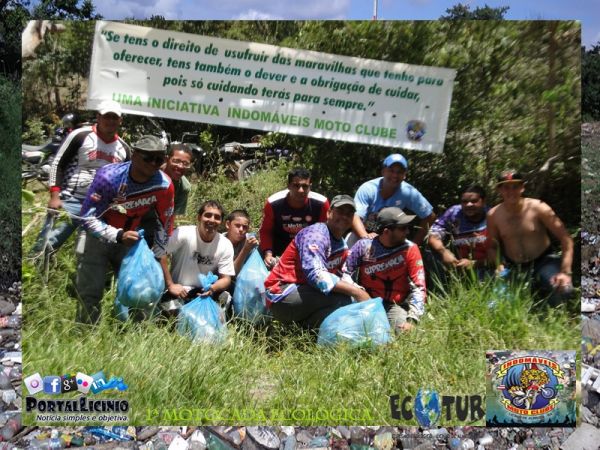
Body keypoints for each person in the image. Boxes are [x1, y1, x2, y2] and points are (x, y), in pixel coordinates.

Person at [76, 135, 174, 324]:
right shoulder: (108, 177)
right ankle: (85, 333)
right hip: (98, 238)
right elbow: (87, 217)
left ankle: (132, 335)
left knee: (139, 290)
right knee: (90, 290)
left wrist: (158, 254)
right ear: (135, 155)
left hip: (131, 241)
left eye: (159, 159)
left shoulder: (164, 184)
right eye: (148, 158)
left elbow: (165, 222)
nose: (154, 164)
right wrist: (118, 235)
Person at [30, 100, 130, 255]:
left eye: (114, 117)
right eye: (106, 116)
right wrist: (55, 195)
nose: (110, 121)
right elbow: (58, 164)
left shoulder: (123, 149)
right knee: (46, 245)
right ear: (98, 117)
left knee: (94, 253)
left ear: (120, 120)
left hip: (100, 208)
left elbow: (125, 180)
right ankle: (32, 272)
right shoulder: (80, 135)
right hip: (71, 200)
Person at [264, 195, 370, 329]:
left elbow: (341, 274)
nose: (344, 217)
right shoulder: (316, 234)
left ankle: (304, 330)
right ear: (329, 213)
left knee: (351, 301)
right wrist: (357, 293)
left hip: (305, 294)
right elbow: (316, 275)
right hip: (282, 295)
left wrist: (361, 292)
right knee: (343, 299)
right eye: (340, 212)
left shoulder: (340, 243)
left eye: (349, 214)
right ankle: (301, 328)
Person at [486, 170, 574, 306]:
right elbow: (492, 246)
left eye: (515, 186)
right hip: (514, 266)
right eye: (506, 187)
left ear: (522, 187)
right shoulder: (494, 215)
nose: (511, 191)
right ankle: (532, 293)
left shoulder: (538, 207)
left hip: (544, 261)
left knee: (564, 290)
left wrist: (565, 272)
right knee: (497, 305)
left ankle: (548, 306)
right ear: (499, 190)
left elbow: (566, 239)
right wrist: (498, 264)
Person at [345, 207, 426, 332]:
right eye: (402, 228)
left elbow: (419, 287)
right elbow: (344, 272)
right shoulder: (364, 245)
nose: (407, 231)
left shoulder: (410, 249)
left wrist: (412, 319)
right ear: (387, 231)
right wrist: (358, 292)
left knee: (404, 333)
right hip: (365, 303)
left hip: (394, 306)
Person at [350, 153, 435, 247]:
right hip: (363, 232)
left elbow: (429, 216)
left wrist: (415, 244)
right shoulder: (368, 189)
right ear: (383, 171)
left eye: (400, 172)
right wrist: (365, 238)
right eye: (391, 170)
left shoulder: (408, 192)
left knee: (408, 251)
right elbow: (355, 216)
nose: (395, 175)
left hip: (391, 237)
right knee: (349, 249)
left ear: (404, 175)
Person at [161, 200, 235, 304]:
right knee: (173, 310)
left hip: (204, 291)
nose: (212, 220)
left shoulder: (225, 244)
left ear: (221, 221)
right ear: (199, 217)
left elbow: (226, 279)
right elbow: (160, 252)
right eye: (208, 215)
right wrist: (170, 285)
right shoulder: (184, 233)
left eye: (217, 217)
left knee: (225, 299)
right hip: (179, 290)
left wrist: (212, 288)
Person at [259, 167, 329, 269]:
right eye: (296, 185)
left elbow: (325, 233)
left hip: (309, 250)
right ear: (288, 186)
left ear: (310, 187)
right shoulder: (273, 203)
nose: (300, 190)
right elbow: (266, 231)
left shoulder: (321, 203)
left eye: (305, 186)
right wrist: (268, 254)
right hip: (279, 250)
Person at [427, 185, 489, 280]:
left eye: (474, 201)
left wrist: (473, 263)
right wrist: (443, 252)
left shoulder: (492, 215)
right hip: (459, 266)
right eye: (464, 202)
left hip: (488, 266)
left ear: (484, 201)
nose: (469, 205)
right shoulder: (454, 213)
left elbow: (502, 254)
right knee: (430, 251)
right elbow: (433, 235)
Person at [140, 143, 193, 247]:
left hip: (156, 223)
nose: (180, 166)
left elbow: (171, 216)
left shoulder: (184, 187)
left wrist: (164, 241)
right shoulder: (151, 173)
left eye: (185, 163)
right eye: (176, 161)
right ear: (167, 159)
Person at [223, 209, 259, 275]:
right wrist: (245, 249)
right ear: (228, 225)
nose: (241, 229)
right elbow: (231, 273)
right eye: (237, 225)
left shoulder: (249, 242)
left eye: (245, 227)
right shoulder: (219, 242)